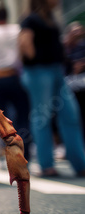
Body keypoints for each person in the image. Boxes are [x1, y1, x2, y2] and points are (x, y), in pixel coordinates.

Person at [19, 0, 85, 177]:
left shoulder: (49, 18)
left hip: (56, 71)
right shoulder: (31, 19)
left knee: (70, 114)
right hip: (39, 72)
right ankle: (46, 164)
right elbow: (25, 43)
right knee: (42, 117)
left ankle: (80, 163)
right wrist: (38, 58)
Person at [0, 5, 32, 160]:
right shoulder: (17, 29)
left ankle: (7, 152)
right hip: (16, 76)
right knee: (23, 115)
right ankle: (25, 152)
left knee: (1, 118)